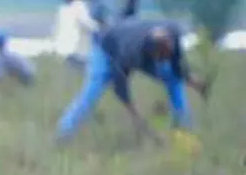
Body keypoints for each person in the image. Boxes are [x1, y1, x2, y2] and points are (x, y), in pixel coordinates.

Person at [55, 18, 209, 145]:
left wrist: (191, 80)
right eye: (161, 57)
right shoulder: (132, 51)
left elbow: (176, 63)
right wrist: (134, 113)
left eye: (167, 54)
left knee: (173, 80)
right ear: (153, 53)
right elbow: (119, 82)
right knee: (91, 92)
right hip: (106, 50)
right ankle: (63, 134)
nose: (164, 59)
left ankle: (186, 129)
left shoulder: (173, 32)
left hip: (134, 44)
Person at [53, 0, 100, 69]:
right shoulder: (78, 5)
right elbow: (87, 23)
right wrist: (101, 28)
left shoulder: (63, 8)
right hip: (77, 51)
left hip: (65, 50)